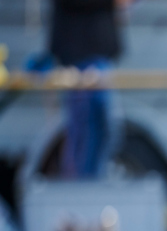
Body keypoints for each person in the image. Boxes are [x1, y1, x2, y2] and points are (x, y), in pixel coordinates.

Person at [50, 0, 127, 178]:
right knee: (86, 132)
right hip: (79, 56)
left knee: (104, 130)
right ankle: (80, 191)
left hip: (97, 54)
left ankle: (91, 189)